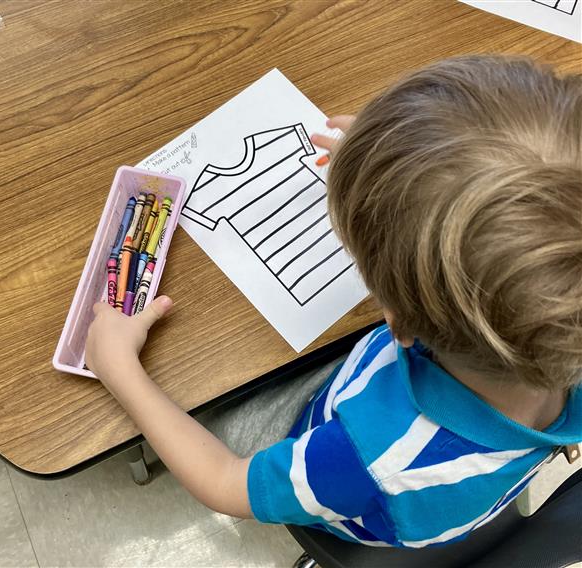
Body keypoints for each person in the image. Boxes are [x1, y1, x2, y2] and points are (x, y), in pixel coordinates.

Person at [85, 55, 582, 547]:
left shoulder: (369, 458)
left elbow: (223, 483)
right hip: (478, 461)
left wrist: (121, 370)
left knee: (215, 397)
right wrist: (392, 163)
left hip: (357, 490)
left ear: (400, 323)